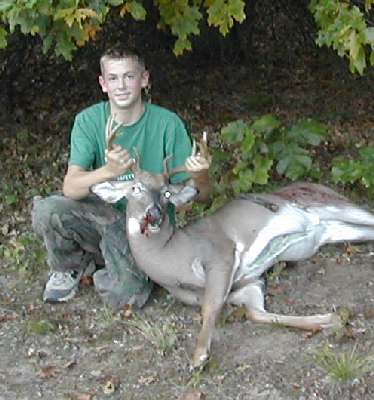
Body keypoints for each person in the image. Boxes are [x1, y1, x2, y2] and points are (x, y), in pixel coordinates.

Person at [32, 47, 211, 310]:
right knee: (48, 210)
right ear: (103, 84)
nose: (122, 85)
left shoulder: (168, 124)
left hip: (146, 226)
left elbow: (200, 198)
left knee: (126, 297)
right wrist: (109, 172)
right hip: (101, 213)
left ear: (145, 79)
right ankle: (70, 266)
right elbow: (70, 188)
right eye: (114, 78)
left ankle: (112, 265)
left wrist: (201, 176)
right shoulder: (88, 121)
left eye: (129, 76)